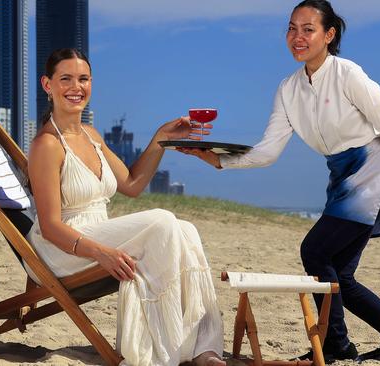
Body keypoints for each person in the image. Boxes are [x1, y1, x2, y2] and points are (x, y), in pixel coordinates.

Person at [178, 1, 380, 363]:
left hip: (375, 170)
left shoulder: (348, 74)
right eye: (292, 28)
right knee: (339, 275)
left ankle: (336, 346)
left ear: (329, 35)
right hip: (341, 177)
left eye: (308, 29)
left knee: (315, 252)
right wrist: (217, 160)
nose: (298, 37)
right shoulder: (288, 89)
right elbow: (268, 152)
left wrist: (365, 151)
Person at [26, 48, 225, 366]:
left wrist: (161, 138)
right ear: (47, 85)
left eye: (83, 79)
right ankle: (169, 349)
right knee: (162, 221)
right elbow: (49, 227)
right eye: (66, 79)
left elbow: (132, 184)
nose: (76, 87)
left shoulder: (90, 135)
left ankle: (204, 348)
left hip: (96, 233)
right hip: (61, 248)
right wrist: (100, 253)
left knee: (185, 229)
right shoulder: (46, 145)